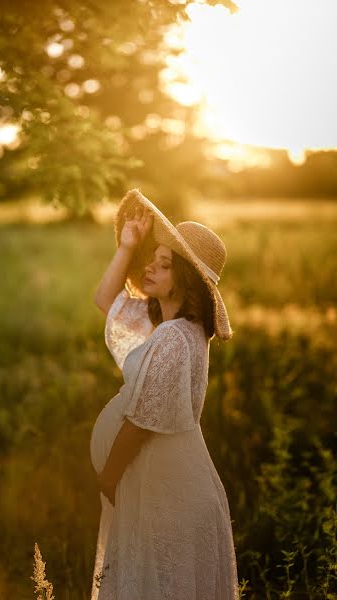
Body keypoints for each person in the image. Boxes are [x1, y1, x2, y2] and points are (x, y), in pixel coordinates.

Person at [89, 189, 240, 599]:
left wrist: (109, 476)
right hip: (163, 485)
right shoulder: (168, 325)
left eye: (164, 264)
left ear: (186, 280)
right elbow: (106, 300)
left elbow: (140, 424)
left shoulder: (175, 337)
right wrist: (127, 246)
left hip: (169, 489)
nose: (150, 269)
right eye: (152, 260)